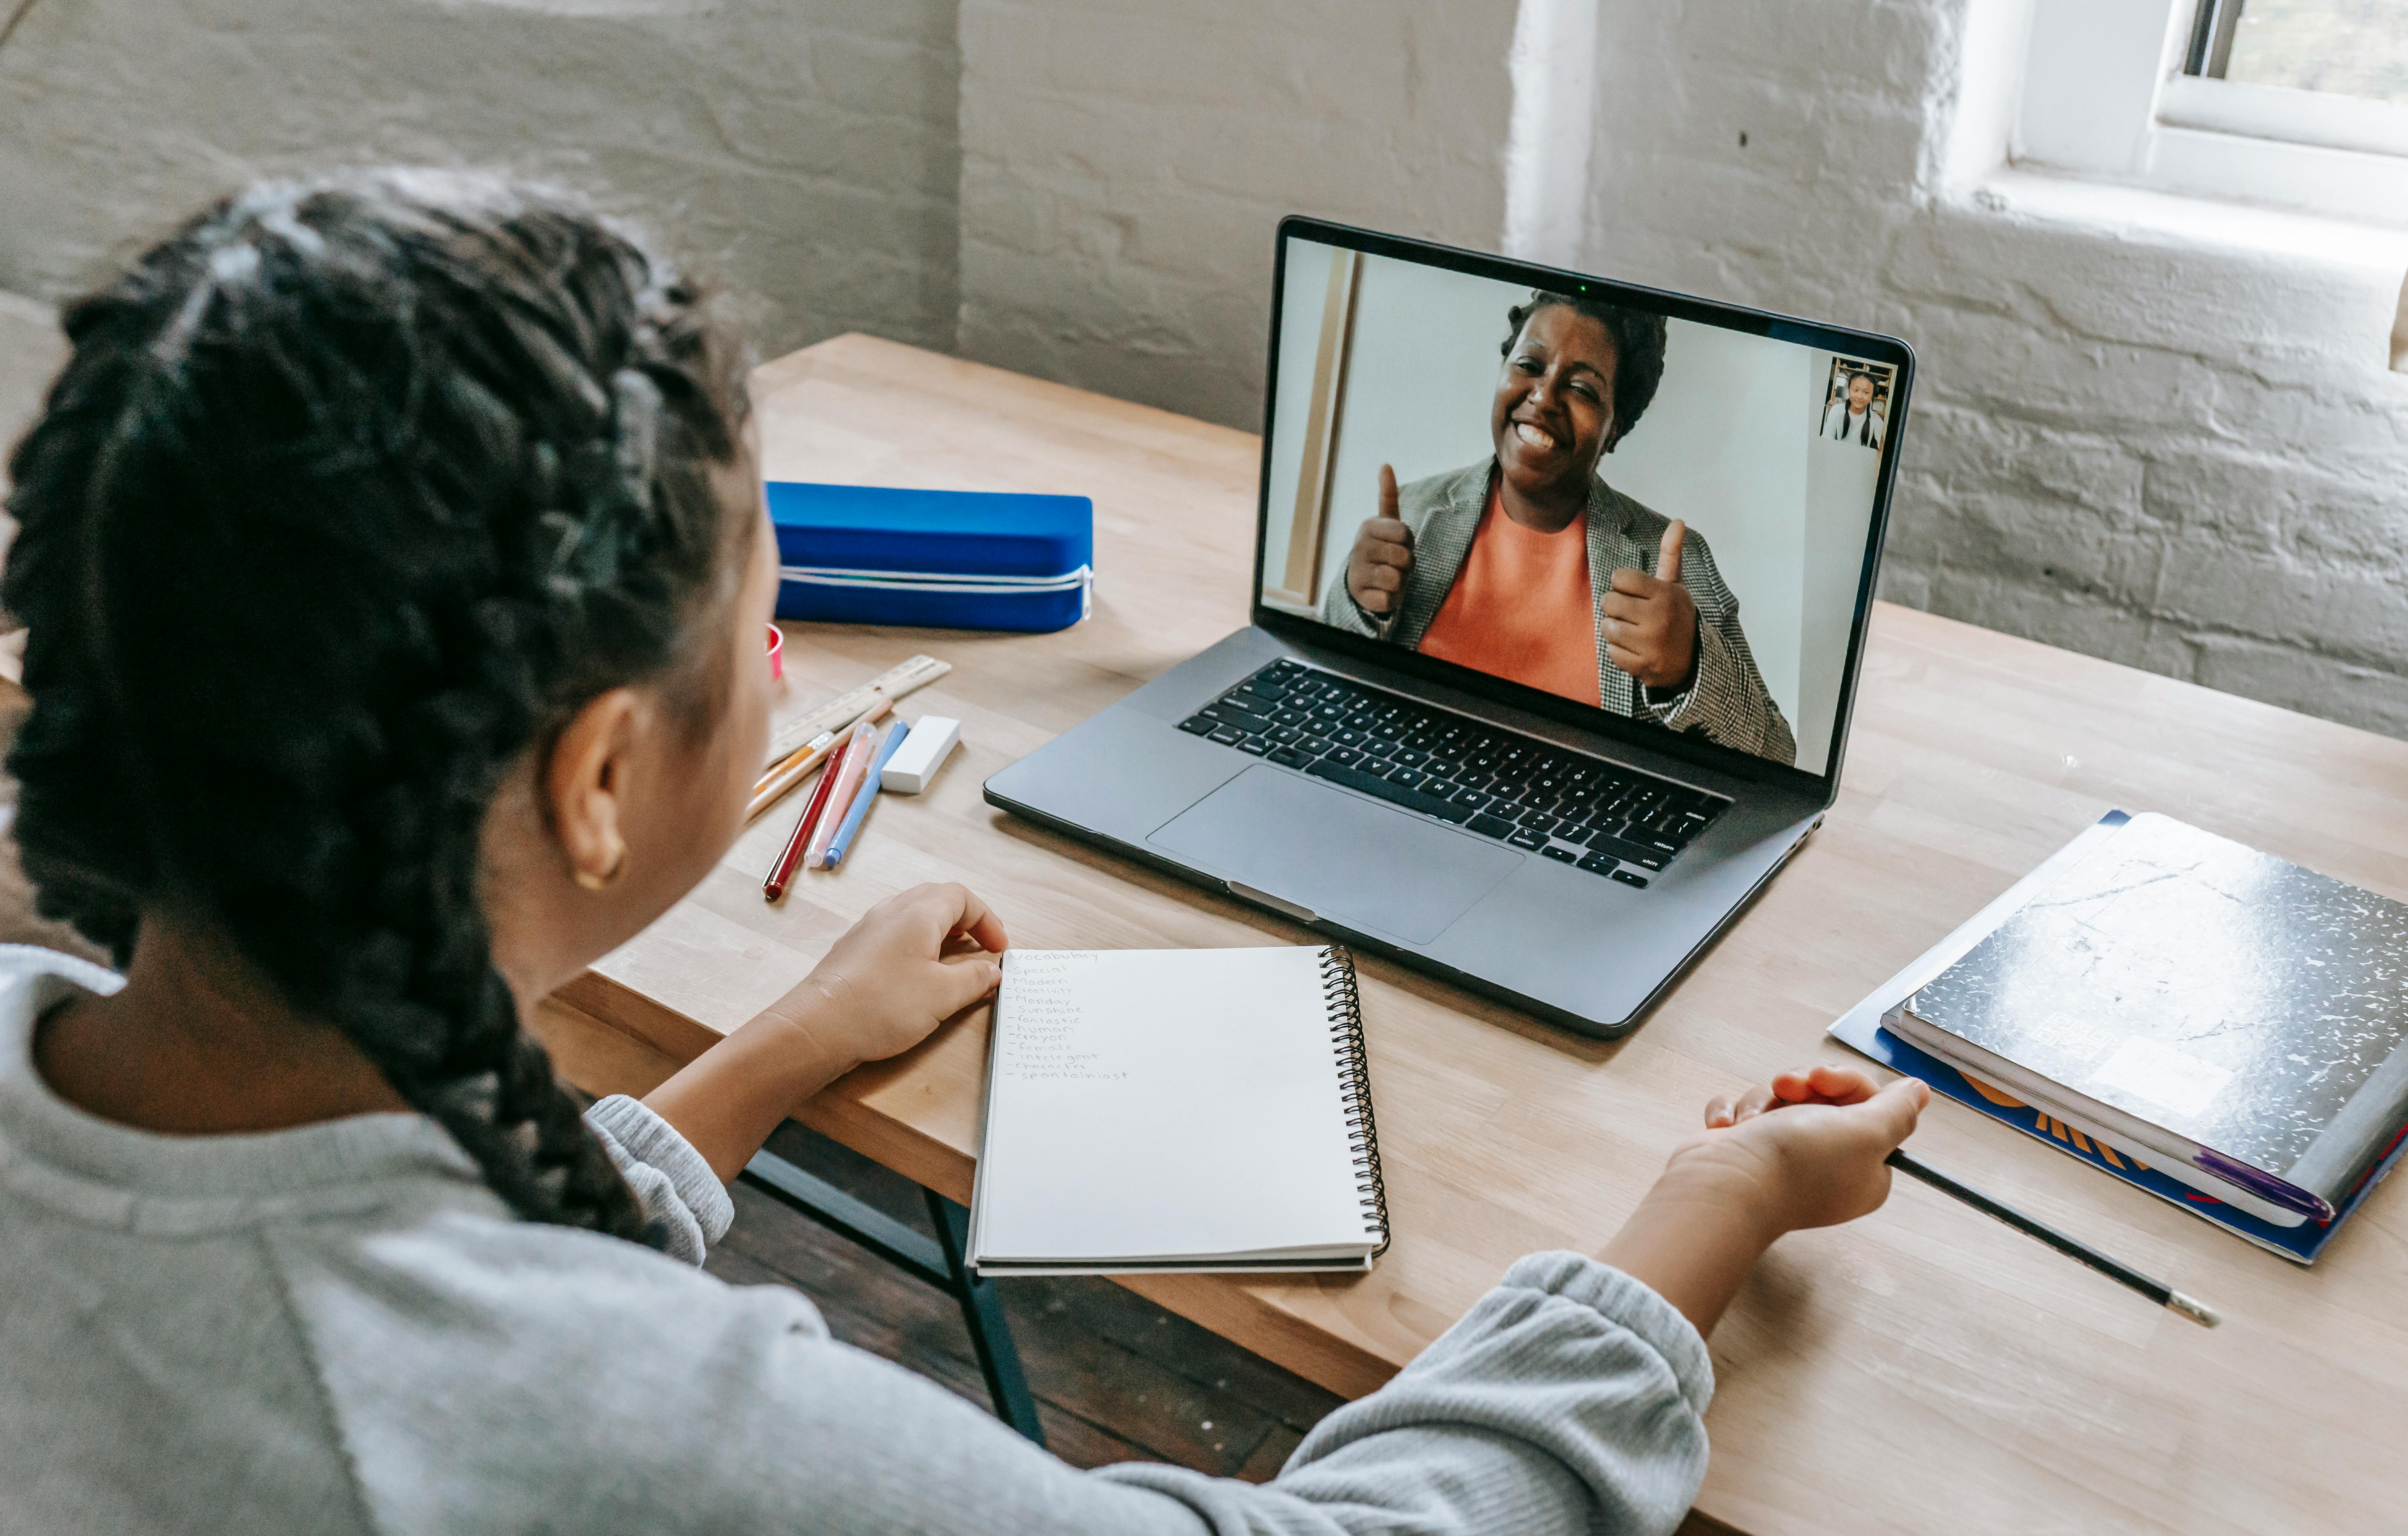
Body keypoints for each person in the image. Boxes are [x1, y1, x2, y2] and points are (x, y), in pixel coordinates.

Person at [0, 174, 1927, 1536]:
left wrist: (767, 1054)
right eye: (763, 613)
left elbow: (392, 1243)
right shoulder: (642, 1423)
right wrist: (1707, 1207)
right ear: (597, 776)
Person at [1320, 293, 1796, 765]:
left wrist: (1688, 669)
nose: (1544, 397)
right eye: (1529, 364)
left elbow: (1777, 757)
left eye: (1584, 390)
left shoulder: (1672, 560)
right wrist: (1354, 602)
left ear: (1614, 430)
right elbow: (1330, 693)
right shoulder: (1415, 513)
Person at [1821, 370, 1883, 449]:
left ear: (1872, 396)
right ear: (1849, 390)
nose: (1860, 396)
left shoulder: (1877, 421)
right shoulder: (1836, 411)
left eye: (1866, 392)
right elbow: (1827, 439)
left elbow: (1882, 451)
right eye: (1856, 390)